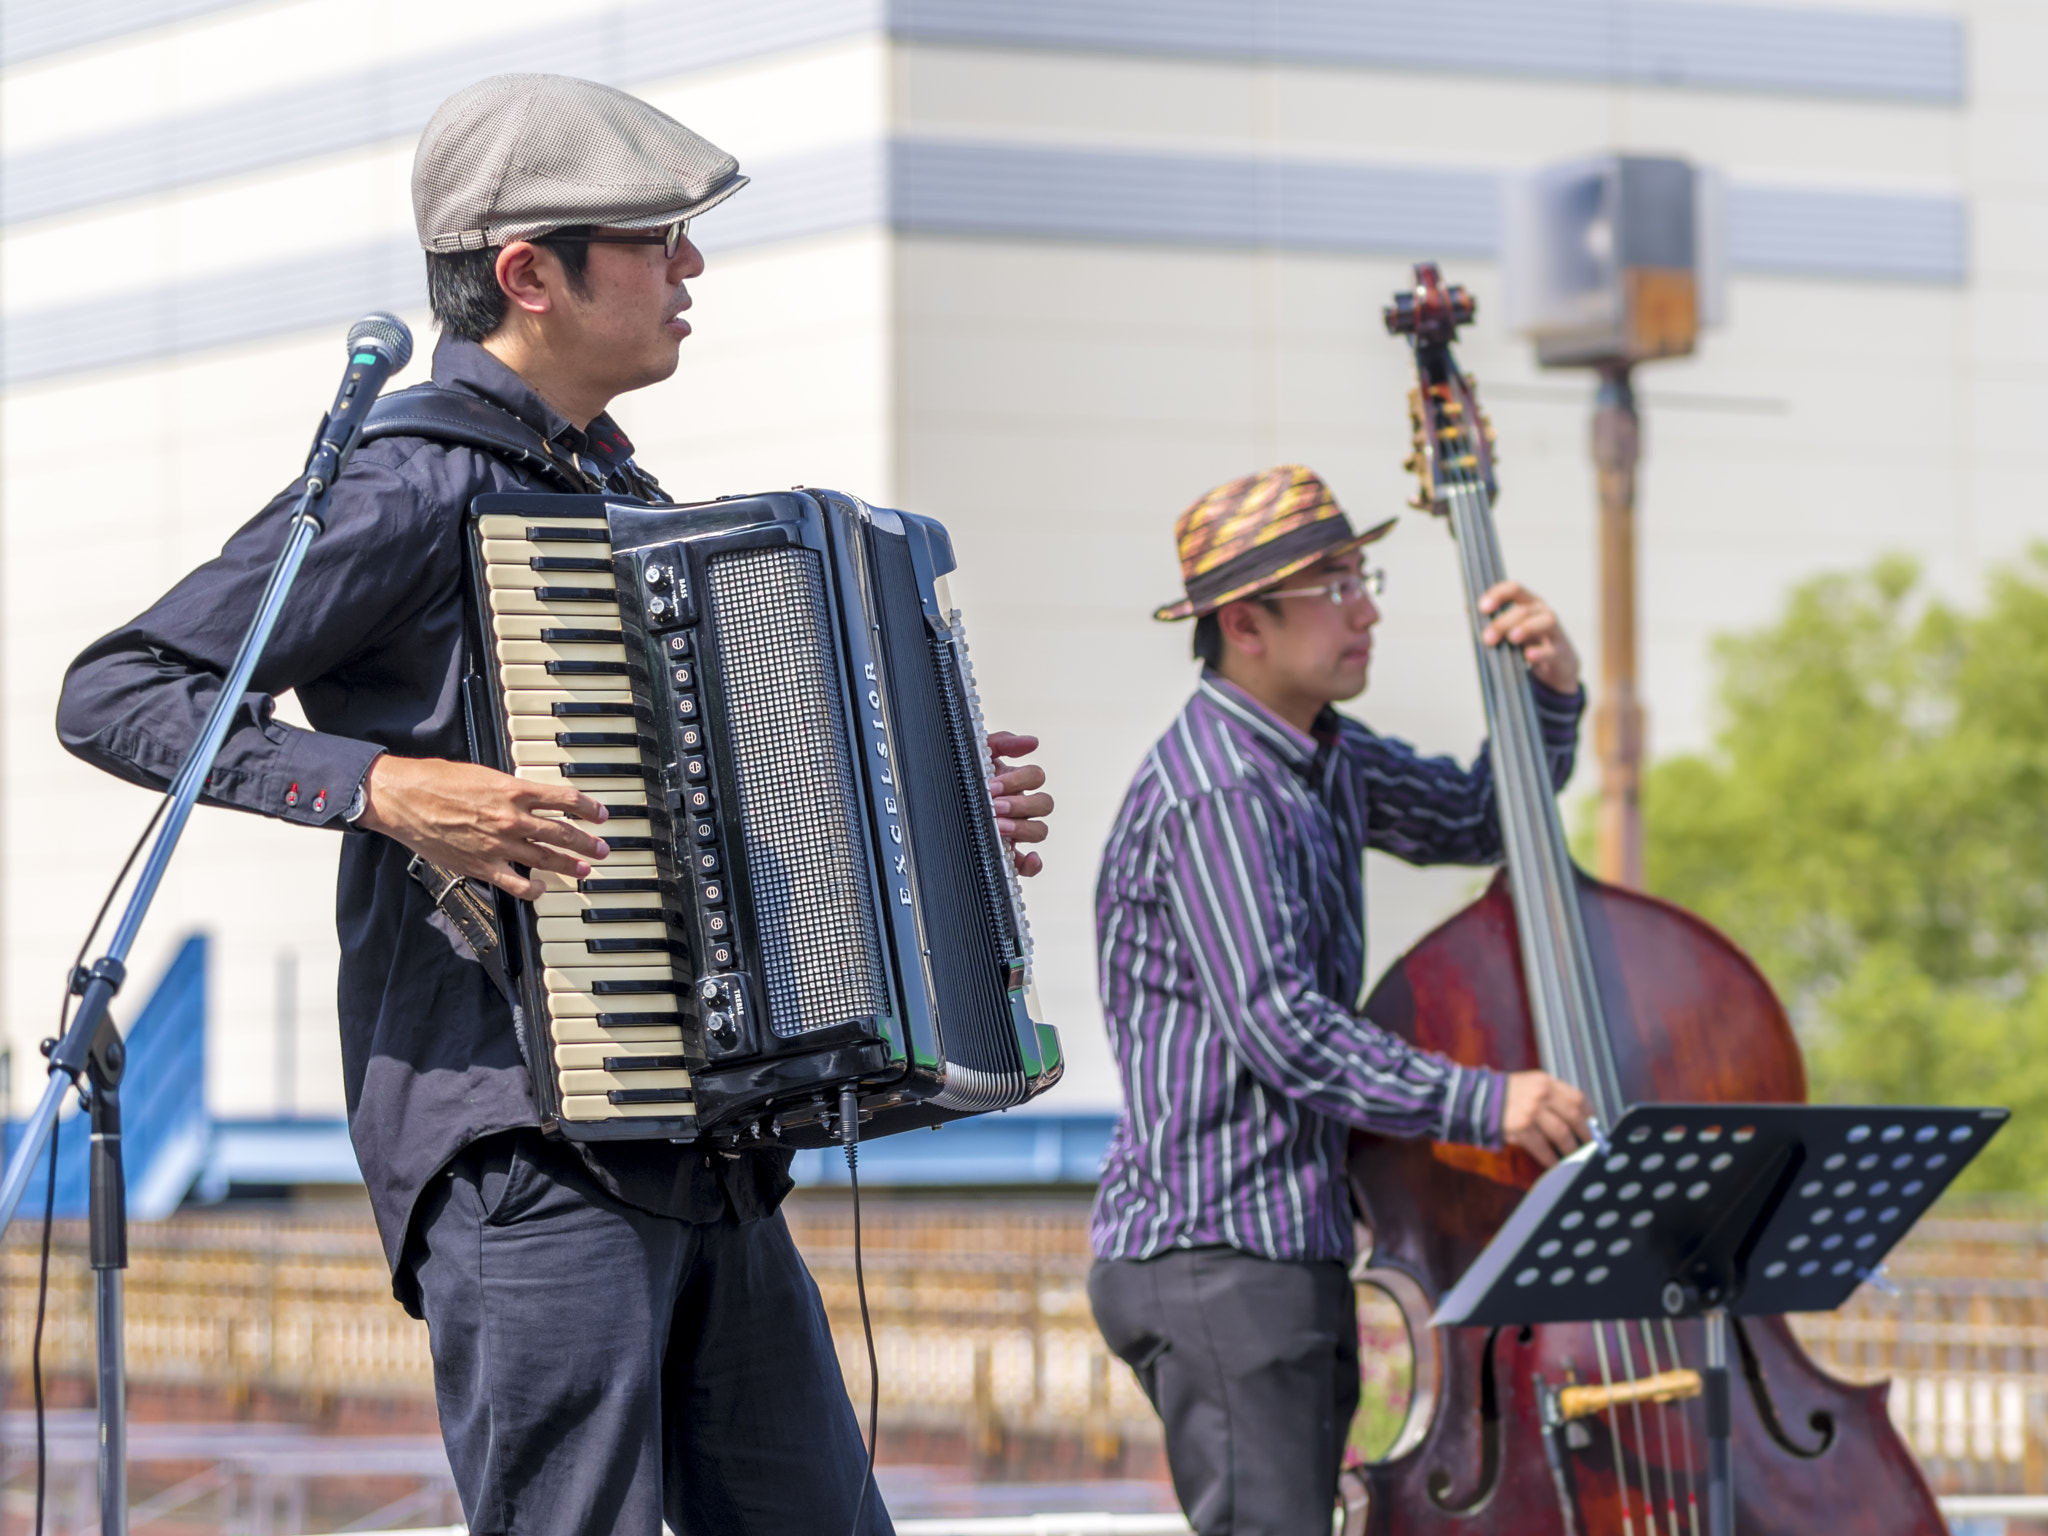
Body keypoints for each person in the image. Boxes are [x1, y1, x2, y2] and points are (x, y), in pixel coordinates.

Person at [55, 74, 1054, 1536]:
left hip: (707, 1148)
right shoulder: (412, 483)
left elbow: (704, 821)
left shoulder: (616, 497)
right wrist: (383, 785)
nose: (690, 270)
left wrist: (929, 813)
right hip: (522, 1147)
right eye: (656, 239)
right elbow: (119, 688)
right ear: (531, 273)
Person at [1086, 464, 1593, 1536]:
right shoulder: (1221, 788)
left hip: (1274, 1246)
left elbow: (1469, 817)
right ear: (1244, 624)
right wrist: (1482, 1104)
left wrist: (1548, 697)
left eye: (1362, 577)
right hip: (1216, 1253)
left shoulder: (1321, 753)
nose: (1364, 608)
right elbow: (1280, 1028)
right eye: (1333, 586)